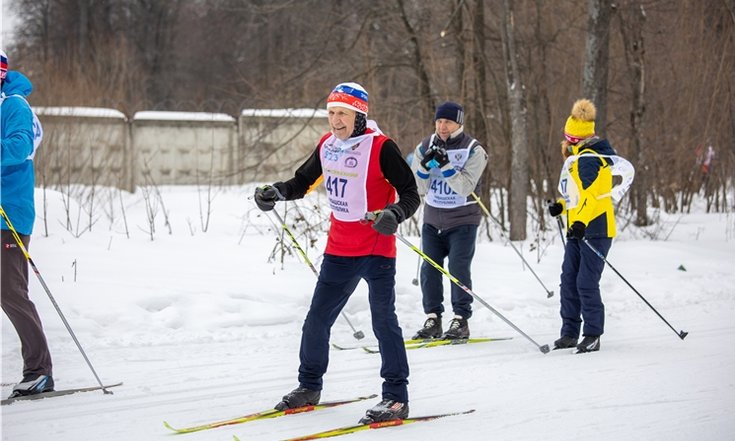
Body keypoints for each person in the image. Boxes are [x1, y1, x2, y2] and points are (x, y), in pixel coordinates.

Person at [253, 82, 420, 423]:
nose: (335, 121)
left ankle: (395, 398)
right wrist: (275, 192)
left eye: (342, 113)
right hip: (339, 249)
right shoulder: (328, 146)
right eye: (331, 113)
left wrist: (395, 214)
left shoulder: (382, 147)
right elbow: (301, 182)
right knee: (317, 320)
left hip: (376, 249)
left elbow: (410, 194)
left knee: (383, 322)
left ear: (360, 115)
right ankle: (309, 386)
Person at [409, 101, 488, 340]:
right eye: (439, 121)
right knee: (429, 269)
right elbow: (418, 187)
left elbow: (465, 187)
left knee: (458, 268)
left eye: (448, 122)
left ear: (459, 123)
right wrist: (423, 167)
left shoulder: (473, 149)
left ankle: (461, 319)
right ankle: (433, 318)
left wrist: (446, 166)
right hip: (433, 218)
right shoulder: (425, 145)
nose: (442, 127)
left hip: (462, 219)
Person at [1, 49, 54, 397]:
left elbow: (19, 147)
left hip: (8, 213)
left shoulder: (14, 105)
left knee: (9, 291)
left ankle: (39, 371)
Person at [548, 98, 618, 353]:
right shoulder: (578, 158)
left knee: (586, 282)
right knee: (569, 280)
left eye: (566, 139)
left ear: (574, 139)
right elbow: (575, 196)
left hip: (596, 230)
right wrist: (561, 206)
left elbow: (594, 199)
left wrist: (579, 221)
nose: (563, 144)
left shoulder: (590, 159)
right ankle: (569, 333)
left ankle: (592, 334)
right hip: (578, 230)